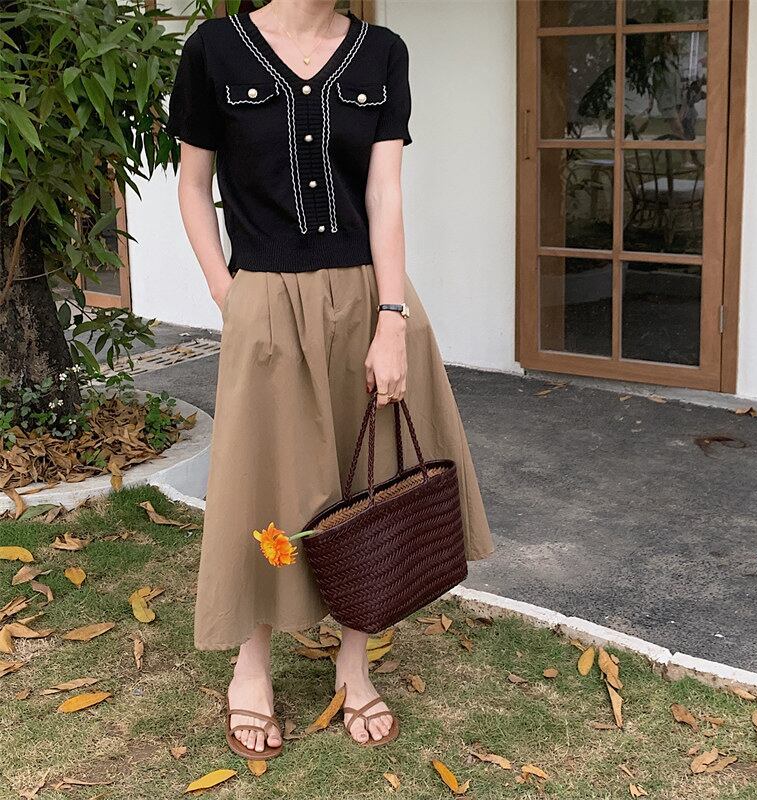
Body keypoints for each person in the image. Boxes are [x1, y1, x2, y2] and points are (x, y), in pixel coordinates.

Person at [166, 0, 494, 758]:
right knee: (261, 479)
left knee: (371, 476)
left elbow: (384, 193)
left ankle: (354, 658)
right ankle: (251, 665)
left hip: (370, 300)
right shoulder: (214, 49)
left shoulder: (382, 51)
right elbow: (192, 183)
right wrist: (226, 293)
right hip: (265, 300)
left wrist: (392, 319)